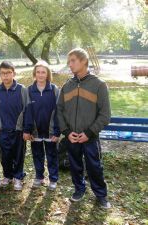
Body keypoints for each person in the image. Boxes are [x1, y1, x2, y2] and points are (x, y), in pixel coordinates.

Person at [57, 48, 111, 209]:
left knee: (94, 166)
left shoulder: (99, 85)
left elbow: (105, 115)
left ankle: (100, 195)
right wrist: (67, 132)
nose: (70, 64)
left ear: (84, 61)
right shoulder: (67, 86)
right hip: (72, 137)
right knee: (74, 165)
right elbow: (59, 110)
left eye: (73, 60)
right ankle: (79, 189)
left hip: (90, 137)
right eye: (69, 61)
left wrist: (89, 133)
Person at [23, 61, 60, 190]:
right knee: (37, 155)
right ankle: (39, 177)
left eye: (43, 72)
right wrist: (27, 130)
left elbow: (59, 112)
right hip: (36, 131)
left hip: (50, 131)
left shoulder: (54, 89)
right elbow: (27, 111)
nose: (40, 74)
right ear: (34, 74)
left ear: (48, 74)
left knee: (52, 155)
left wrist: (57, 131)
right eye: (38, 72)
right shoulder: (29, 90)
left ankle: (53, 179)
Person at [0, 61, 29, 191]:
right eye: (3, 73)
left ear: (13, 73)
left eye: (8, 73)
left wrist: (26, 129)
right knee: (5, 155)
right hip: (3, 130)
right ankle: (7, 176)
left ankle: (18, 177)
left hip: (18, 130)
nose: (6, 76)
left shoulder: (21, 89)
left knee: (19, 154)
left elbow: (27, 110)